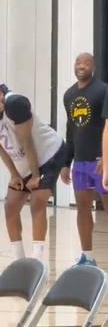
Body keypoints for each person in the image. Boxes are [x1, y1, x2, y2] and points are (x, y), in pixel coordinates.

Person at [0, 79, 65, 260]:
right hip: (25, 161)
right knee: (10, 206)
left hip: (49, 154)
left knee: (37, 202)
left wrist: (36, 176)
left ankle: (37, 260)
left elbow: (27, 142)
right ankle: (19, 259)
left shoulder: (16, 104)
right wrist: (14, 174)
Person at [60, 53, 108, 266]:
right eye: (78, 62)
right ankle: (87, 257)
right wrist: (65, 161)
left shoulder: (103, 90)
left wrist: (106, 158)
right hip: (80, 162)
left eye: (86, 63)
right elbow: (70, 130)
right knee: (82, 208)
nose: (81, 66)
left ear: (93, 67)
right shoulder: (69, 94)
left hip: (101, 161)